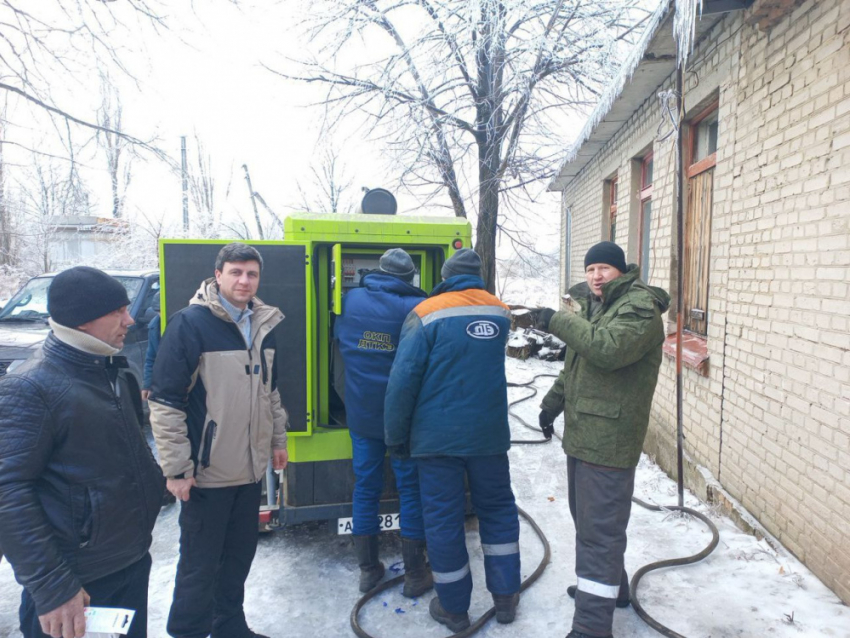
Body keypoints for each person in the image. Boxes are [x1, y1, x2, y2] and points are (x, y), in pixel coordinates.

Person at [0, 266, 165, 638]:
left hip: (130, 562)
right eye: (117, 312)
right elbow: (7, 492)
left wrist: (156, 486)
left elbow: (131, 451)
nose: (131, 319)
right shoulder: (31, 386)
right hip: (78, 586)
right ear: (82, 320)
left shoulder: (113, 370)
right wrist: (53, 588)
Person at [149, 243, 289, 638]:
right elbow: (165, 401)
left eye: (252, 273)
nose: (244, 280)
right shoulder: (190, 324)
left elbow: (271, 392)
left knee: (238, 558)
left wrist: (278, 441)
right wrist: (176, 468)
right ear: (218, 275)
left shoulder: (262, 324)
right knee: (199, 564)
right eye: (236, 272)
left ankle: (229, 627)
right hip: (207, 474)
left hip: (248, 471)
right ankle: (188, 631)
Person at [536, 241, 670, 638]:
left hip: (609, 440)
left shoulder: (639, 309)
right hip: (584, 434)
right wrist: (552, 404)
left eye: (604, 269)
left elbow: (607, 350)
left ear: (621, 270)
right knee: (592, 525)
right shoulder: (599, 306)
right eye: (590, 268)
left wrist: (556, 321)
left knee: (598, 533)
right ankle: (611, 591)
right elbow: (578, 365)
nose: (595, 275)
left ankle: (592, 627)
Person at [385, 248, 521, 632]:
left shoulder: (427, 312)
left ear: (445, 275)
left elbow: (403, 380)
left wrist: (395, 436)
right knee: (497, 511)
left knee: (444, 521)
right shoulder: (499, 310)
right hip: (489, 437)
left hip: (436, 440)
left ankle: (454, 608)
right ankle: (506, 598)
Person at [334, 248, 432, 596]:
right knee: (410, 489)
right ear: (408, 278)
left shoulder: (349, 300)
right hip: (402, 419)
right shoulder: (415, 309)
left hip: (360, 413)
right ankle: (416, 574)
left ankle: (368, 569)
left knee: (366, 487)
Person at [141, 291, 161, 402]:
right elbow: (151, 359)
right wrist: (147, 385)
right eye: (158, 312)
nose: (161, 315)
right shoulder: (154, 326)